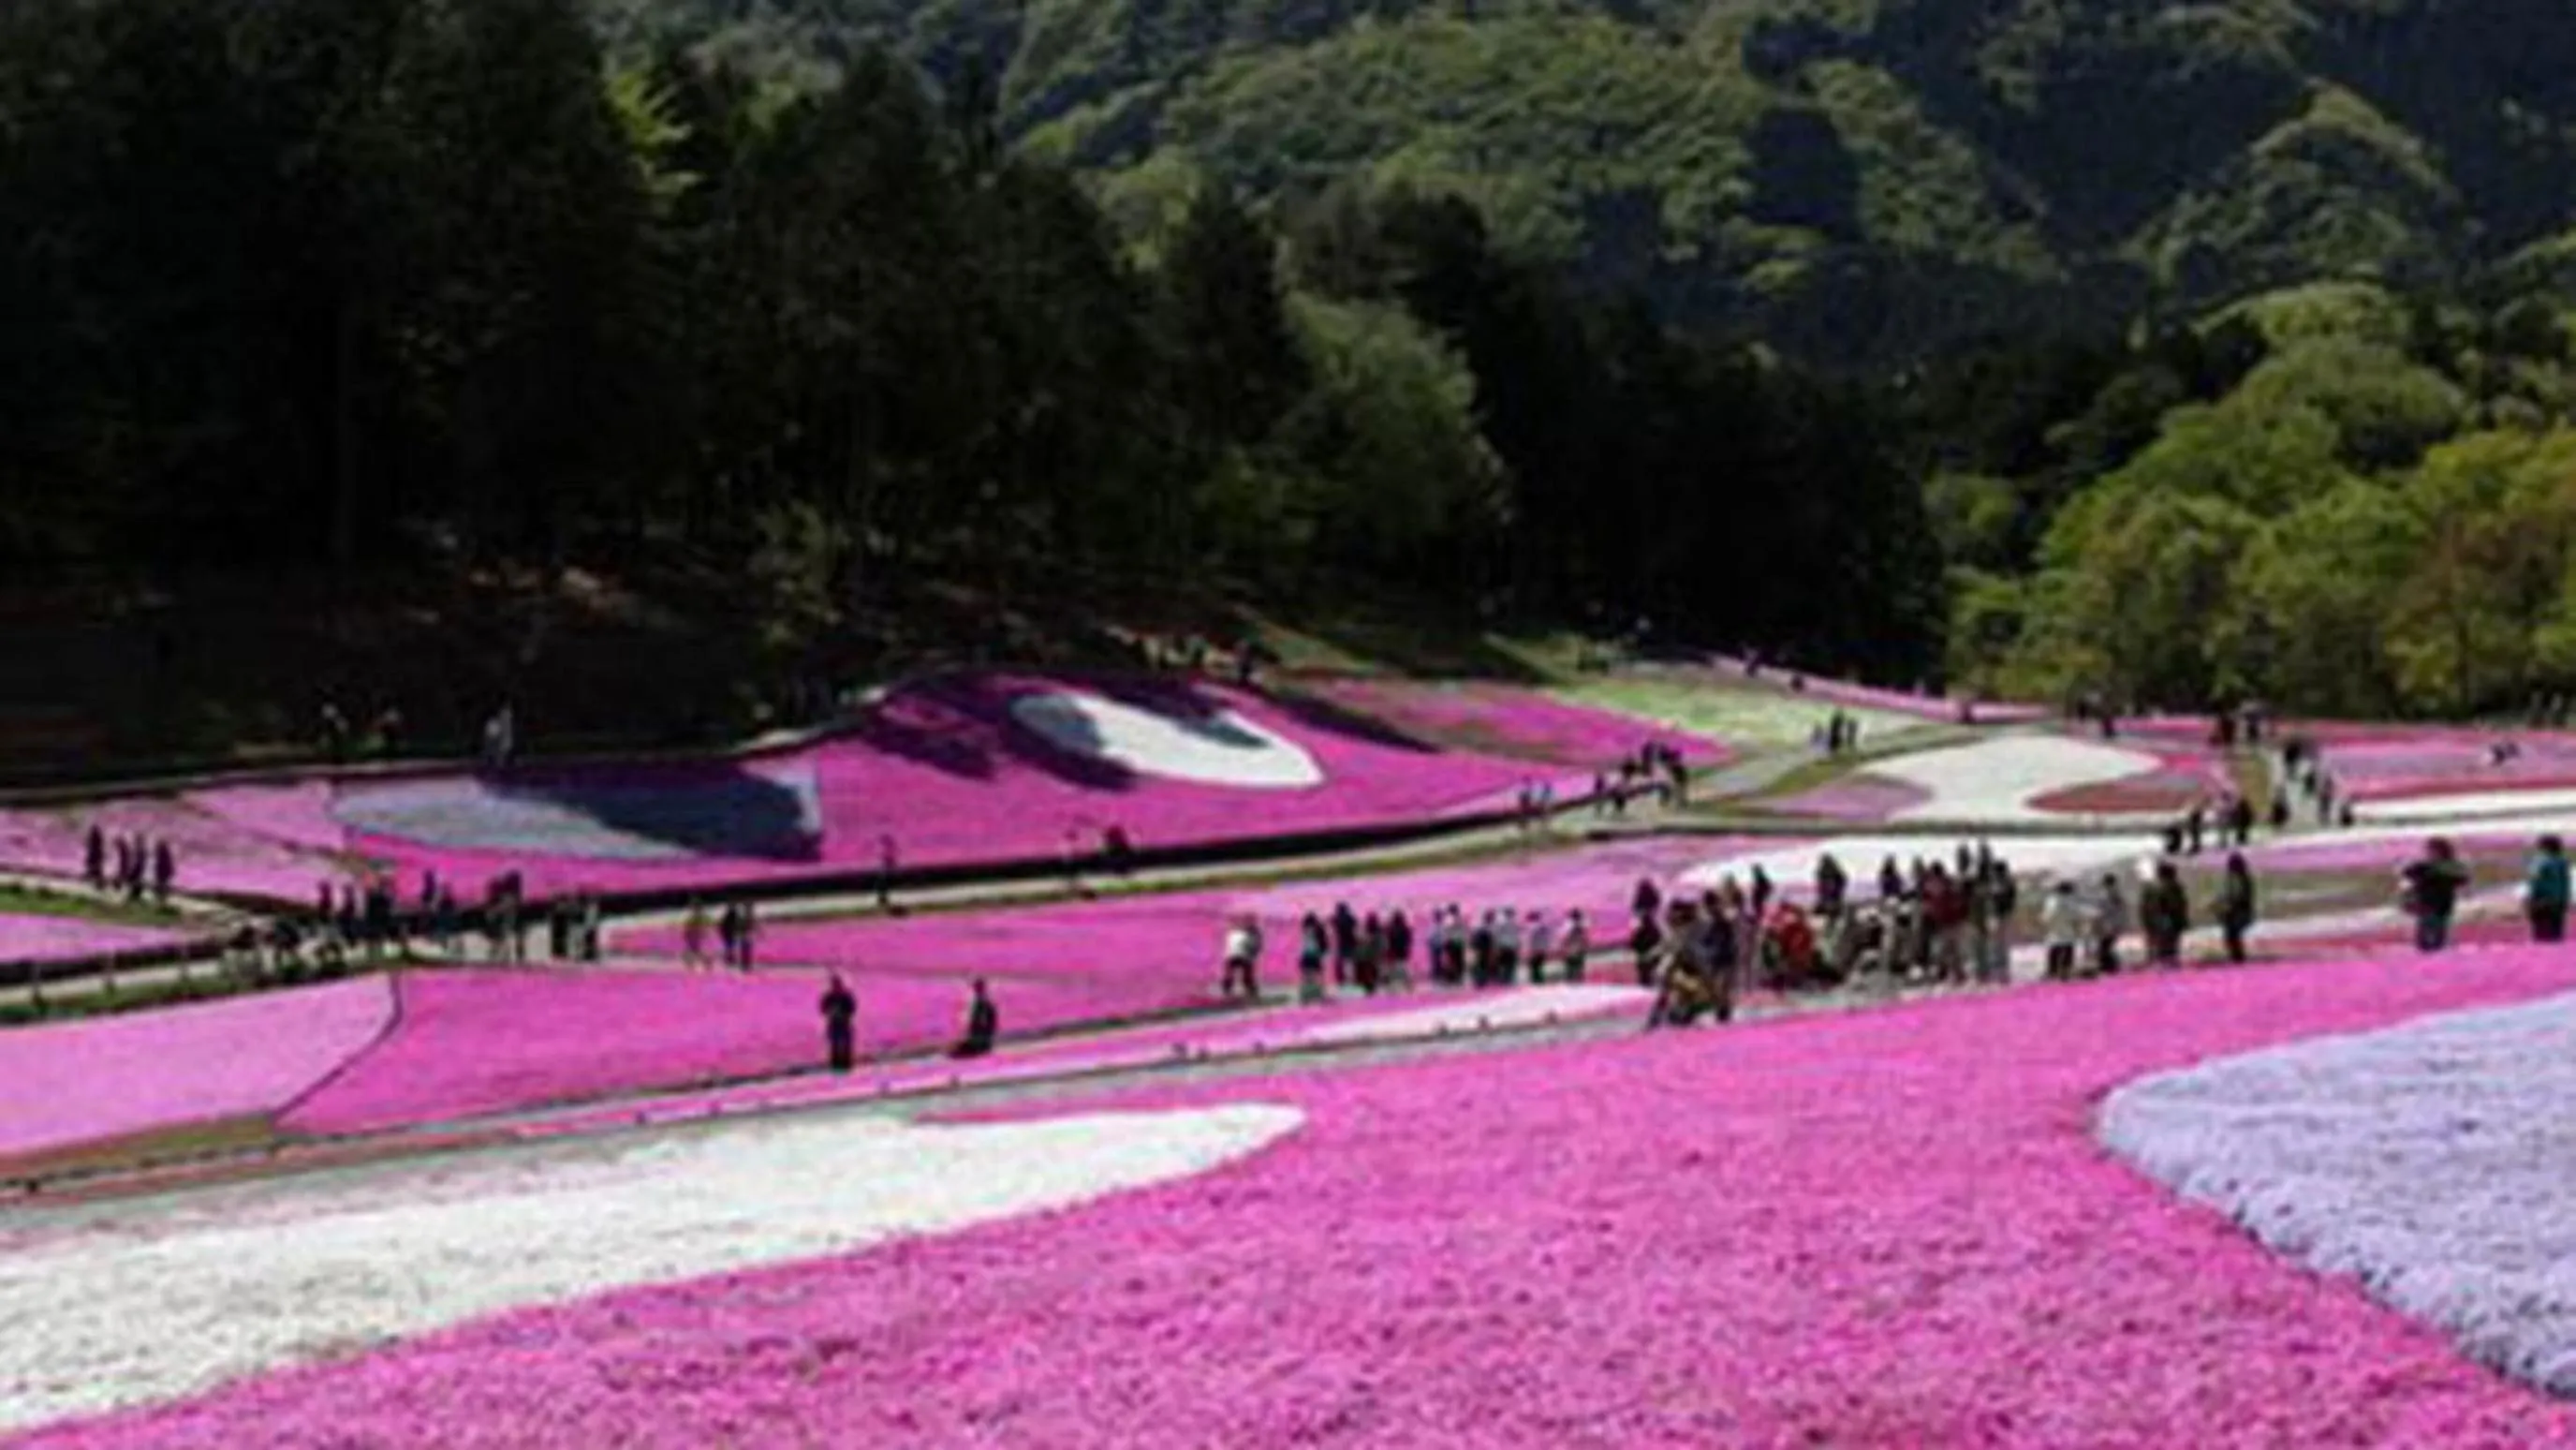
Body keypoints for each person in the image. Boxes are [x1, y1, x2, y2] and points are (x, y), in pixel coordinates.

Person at [2402, 838, 2471, 953]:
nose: (2429, 854)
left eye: (2432, 851)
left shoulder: (2448, 867)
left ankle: (2434, 950)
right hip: (2426, 904)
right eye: (2429, 851)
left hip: (2440, 904)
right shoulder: (2424, 867)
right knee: (2426, 932)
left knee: (2436, 931)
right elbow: (2408, 874)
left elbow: (2462, 879)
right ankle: (2429, 950)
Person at [2141, 861, 2189, 968]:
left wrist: (2148, 921)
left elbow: (2146, 907)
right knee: (2169, 944)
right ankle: (2169, 963)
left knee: (2164, 944)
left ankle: (2165, 963)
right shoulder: (2174, 886)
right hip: (2169, 919)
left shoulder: (2153, 887)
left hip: (2161, 920)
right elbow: (2180, 905)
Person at [2529, 836, 2571, 944]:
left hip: (2542, 902)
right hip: (2559, 902)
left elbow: (2535, 884)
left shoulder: (2541, 863)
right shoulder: (2563, 863)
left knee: (2542, 936)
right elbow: (2565, 885)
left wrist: (2531, 901)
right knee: (2556, 934)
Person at [2040, 880, 2084, 981]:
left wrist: (2046, 923)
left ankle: (2052, 971)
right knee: (2067, 949)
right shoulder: (2069, 900)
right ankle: (2065, 971)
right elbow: (2076, 915)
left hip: (2055, 929)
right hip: (2067, 928)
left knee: (2055, 950)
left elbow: (2046, 916)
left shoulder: (2052, 900)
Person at [2219, 853, 2258, 964]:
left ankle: (2237, 958)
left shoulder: (2239, 879)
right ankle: (2236, 957)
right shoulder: (2239, 879)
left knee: (2232, 936)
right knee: (2232, 936)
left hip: (2238, 913)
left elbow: (2238, 896)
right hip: (2236, 912)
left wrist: (2227, 904)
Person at [819, 973, 858, 1073]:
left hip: (844, 1023)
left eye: (838, 983)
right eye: (834, 983)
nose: (836, 985)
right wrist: (830, 1013)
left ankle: (846, 1066)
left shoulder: (846, 996)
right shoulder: (828, 996)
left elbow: (852, 1008)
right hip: (834, 1023)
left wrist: (843, 1014)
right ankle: (836, 1066)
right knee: (834, 1045)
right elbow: (823, 1008)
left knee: (846, 1045)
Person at [2092, 873, 2128, 977]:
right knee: (2107, 946)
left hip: (2107, 924)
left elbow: (2101, 911)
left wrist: (2097, 922)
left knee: (2104, 947)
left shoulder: (2106, 894)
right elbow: (2122, 909)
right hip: (2115, 923)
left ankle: (2109, 967)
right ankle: (2111, 966)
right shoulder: (2117, 894)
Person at [952, 979, 998, 1058]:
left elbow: (986, 1021)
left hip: (980, 1036)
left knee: (965, 1050)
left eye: (976, 986)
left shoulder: (983, 1001)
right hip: (978, 1034)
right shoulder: (975, 999)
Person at [1220, 915, 1262, 999]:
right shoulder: (1249, 934)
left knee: (1234, 973)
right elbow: (1255, 947)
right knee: (1246, 975)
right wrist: (1253, 954)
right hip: (1241, 955)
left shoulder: (1234, 932)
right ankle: (1250, 990)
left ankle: (1228, 988)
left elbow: (1254, 947)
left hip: (1234, 955)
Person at [1298, 911, 1329, 1003]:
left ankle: (1305, 994)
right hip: (1315, 954)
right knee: (1318, 974)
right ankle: (1319, 993)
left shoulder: (1305, 930)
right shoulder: (1318, 929)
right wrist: (1323, 952)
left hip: (1306, 954)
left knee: (1306, 976)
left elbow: (1304, 944)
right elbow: (1324, 942)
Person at [1561, 909, 1591, 983]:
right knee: (1578, 964)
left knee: (1571, 964)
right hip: (1579, 947)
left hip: (1572, 947)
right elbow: (1585, 937)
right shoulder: (1582, 924)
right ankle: (1578, 978)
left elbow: (1565, 937)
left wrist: (1564, 945)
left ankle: (1572, 979)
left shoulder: (1569, 925)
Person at [683, 899, 710, 970]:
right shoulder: (696, 915)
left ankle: (692, 965)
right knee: (694, 951)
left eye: (693, 906)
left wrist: (689, 932)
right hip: (693, 935)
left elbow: (695, 925)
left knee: (694, 951)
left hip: (694, 935)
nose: (691, 908)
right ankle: (705, 961)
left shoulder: (697, 915)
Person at [83, 824, 105, 890]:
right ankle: (98, 885)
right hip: (95, 859)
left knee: (95, 871)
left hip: (94, 859)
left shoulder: (94, 841)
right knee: (95, 871)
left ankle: (98, 885)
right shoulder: (98, 841)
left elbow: (91, 848)